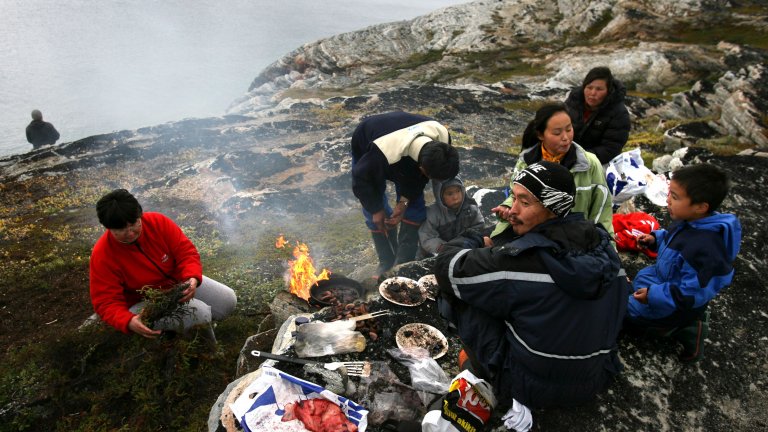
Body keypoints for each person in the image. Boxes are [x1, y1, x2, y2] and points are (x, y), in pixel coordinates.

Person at [434, 161, 629, 412]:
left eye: (524, 203)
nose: (512, 210)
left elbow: (447, 268)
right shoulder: (604, 247)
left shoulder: (522, 263)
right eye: (513, 198)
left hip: (529, 387)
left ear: (554, 208)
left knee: (459, 292)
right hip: (594, 378)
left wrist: (477, 236)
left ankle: (479, 366)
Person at [625, 164, 741, 363]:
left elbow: (689, 292)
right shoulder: (689, 219)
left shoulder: (706, 249)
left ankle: (682, 328)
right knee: (639, 281)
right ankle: (686, 318)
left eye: (675, 197)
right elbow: (674, 239)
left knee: (627, 315)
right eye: (670, 192)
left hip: (677, 301)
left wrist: (654, 296)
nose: (668, 199)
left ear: (700, 206)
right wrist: (656, 238)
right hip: (662, 278)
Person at [89, 189, 237, 343]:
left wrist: (192, 277)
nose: (130, 233)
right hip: (142, 303)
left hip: (178, 285)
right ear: (108, 228)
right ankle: (207, 352)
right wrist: (128, 321)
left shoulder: (157, 223)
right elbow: (105, 301)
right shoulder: (103, 254)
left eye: (134, 224)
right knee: (199, 314)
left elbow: (186, 253)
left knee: (227, 301)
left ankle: (180, 331)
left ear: (140, 215)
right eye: (120, 229)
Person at [351, 111, 459, 274]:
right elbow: (361, 179)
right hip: (371, 139)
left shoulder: (442, 139)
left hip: (408, 138)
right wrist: (375, 209)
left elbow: (419, 180)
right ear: (422, 169)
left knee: (414, 208)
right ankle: (386, 259)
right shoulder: (382, 154)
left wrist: (403, 203)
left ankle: (403, 262)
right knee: (376, 210)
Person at [491, 103, 614, 241]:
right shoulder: (527, 160)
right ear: (540, 135)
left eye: (569, 129)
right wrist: (507, 206)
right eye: (557, 133)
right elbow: (516, 194)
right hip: (530, 236)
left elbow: (601, 210)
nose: (565, 137)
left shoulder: (588, 164)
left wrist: (606, 246)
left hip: (571, 239)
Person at [563, 66, 631, 165]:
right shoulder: (574, 100)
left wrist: (578, 158)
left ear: (608, 90)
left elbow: (610, 149)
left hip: (598, 162)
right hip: (567, 153)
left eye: (599, 89)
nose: (593, 93)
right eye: (589, 87)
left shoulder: (619, 113)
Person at [418, 176, 486, 257]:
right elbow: (427, 238)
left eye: (458, 191)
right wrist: (445, 248)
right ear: (440, 196)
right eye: (449, 194)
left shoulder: (471, 209)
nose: (456, 197)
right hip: (438, 254)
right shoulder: (432, 213)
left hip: (466, 249)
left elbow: (479, 227)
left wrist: (478, 240)